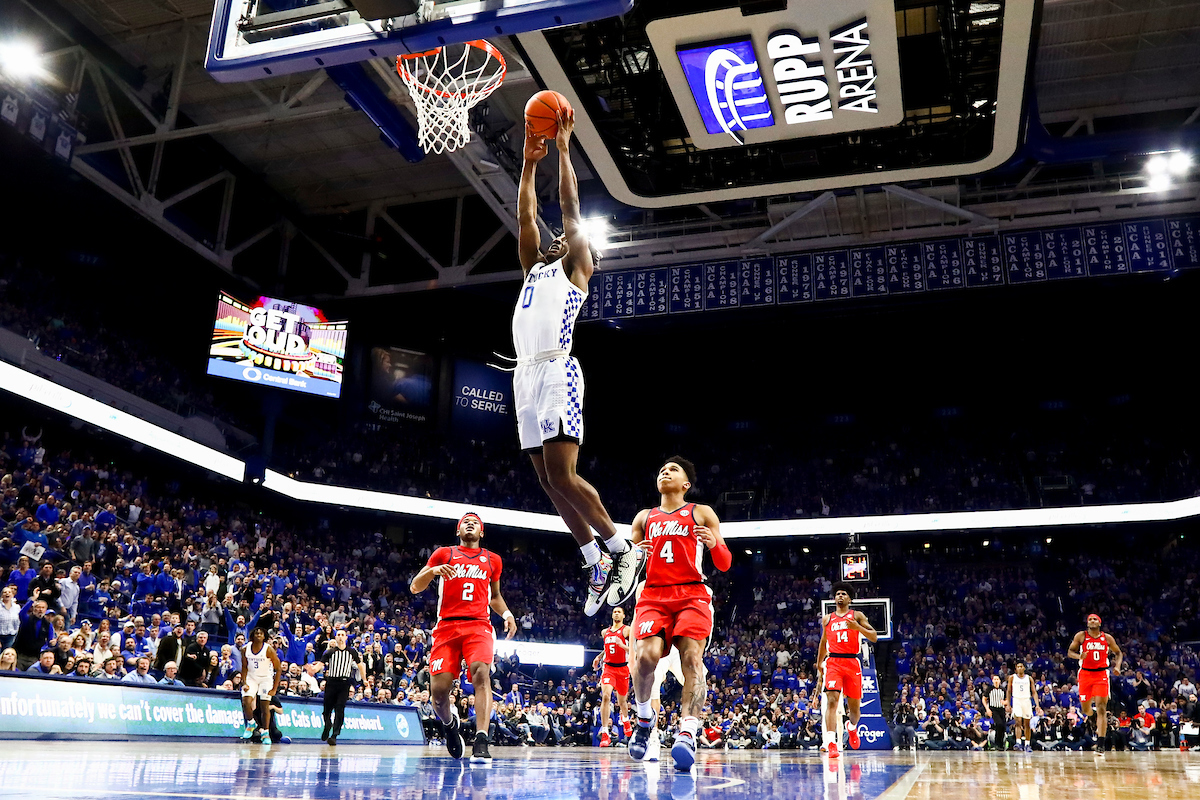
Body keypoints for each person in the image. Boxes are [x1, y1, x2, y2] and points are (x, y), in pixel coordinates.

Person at [514, 109, 646, 617]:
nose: (555, 237)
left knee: (564, 475)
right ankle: (593, 560)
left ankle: (620, 547)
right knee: (546, 479)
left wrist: (565, 150)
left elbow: (569, 208)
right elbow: (526, 216)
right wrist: (528, 164)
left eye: (565, 238)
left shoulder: (575, 270)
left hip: (556, 370)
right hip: (525, 375)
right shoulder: (532, 268)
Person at [625, 457, 732, 772]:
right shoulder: (644, 518)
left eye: (673, 470)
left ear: (686, 484)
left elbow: (724, 563)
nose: (664, 471)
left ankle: (688, 730)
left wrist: (714, 545)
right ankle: (645, 720)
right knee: (645, 658)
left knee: (691, 660)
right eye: (661, 469)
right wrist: (633, 556)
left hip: (691, 594)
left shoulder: (700, 512)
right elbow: (628, 569)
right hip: (654, 595)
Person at [409, 513, 517, 763]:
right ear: (458, 531)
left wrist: (508, 614)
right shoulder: (443, 554)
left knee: (481, 674)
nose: (470, 523)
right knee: (438, 693)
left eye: (475, 522)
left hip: (479, 626)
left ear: (482, 532)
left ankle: (481, 739)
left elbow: (495, 596)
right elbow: (415, 586)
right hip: (446, 628)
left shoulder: (493, 560)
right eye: (465, 522)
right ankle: (449, 725)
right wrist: (433, 571)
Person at [816, 582, 879, 758]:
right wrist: (819, 663)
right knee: (832, 700)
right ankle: (831, 743)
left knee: (854, 709)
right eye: (838, 594)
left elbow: (873, 636)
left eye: (844, 594)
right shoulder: (827, 619)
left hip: (852, 662)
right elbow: (823, 642)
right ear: (834, 598)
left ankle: (851, 728)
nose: (840, 596)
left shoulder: (857, 615)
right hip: (834, 661)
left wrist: (857, 628)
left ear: (849, 599)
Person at [1068, 613, 1122, 758]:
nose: (1092, 621)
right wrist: (1079, 656)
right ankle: (1091, 717)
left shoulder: (1107, 638)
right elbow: (1070, 652)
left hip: (1101, 674)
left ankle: (1101, 743)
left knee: (1102, 708)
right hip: (1085, 674)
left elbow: (1118, 653)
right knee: (1086, 709)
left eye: (1095, 619)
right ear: (1087, 623)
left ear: (1099, 622)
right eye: (1090, 619)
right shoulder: (1081, 636)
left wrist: (1117, 666)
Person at [594, 606, 632, 747]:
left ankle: (626, 719)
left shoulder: (627, 630)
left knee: (622, 701)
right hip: (609, 668)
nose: (616, 614)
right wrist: (598, 657)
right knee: (606, 696)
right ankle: (605, 733)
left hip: (623, 668)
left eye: (619, 612)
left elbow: (634, 649)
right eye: (614, 612)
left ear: (623, 616)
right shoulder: (605, 632)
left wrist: (622, 645)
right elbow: (607, 648)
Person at [239, 627, 281, 744]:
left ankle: (266, 733)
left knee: (264, 706)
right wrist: (244, 682)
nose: (258, 635)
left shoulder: (269, 649)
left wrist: (274, 689)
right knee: (246, 701)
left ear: (264, 636)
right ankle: (251, 723)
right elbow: (244, 667)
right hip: (251, 677)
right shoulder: (245, 649)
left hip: (265, 679)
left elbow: (278, 669)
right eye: (256, 632)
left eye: (261, 633)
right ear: (252, 635)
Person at [320, 628, 361, 745]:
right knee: (327, 709)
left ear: (346, 637)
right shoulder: (330, 652)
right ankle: (327, 725)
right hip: (331, 682)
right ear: (335, 637)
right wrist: (313, 670)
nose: (340, 636)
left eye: (343, 635)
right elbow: (321, 664)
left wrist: (364, 679)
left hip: (344, 683)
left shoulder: (352, 652)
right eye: (338, 635)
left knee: (340, 709)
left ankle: (334, 735)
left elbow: (360, 665)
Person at [1006, 662, 1040, 752]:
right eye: (1018, 666)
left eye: (1021, 666)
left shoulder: (1029, 678)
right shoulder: (1012, 677)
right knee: (1018, 722)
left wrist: (1037, 705)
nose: (1020, 668)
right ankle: (1018, 742)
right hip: (1017, 700)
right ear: (1016, 668)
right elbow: (1009, 691)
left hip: (1026, 700)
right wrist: (1008, 704)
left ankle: (1027, 744)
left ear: (1024, 668)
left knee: (1027, 724)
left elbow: (1034, 692)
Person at [984, 674, 1008, 750]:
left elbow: (1007, 699)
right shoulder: (990, 689)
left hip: (1001, 709)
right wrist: (987, 709)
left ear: (1000, 681)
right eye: (995, 679)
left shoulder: (1003, 689)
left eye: (997, 679)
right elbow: (984, 699)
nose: (996, 681)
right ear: (992, 681)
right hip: (993, 709)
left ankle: (1001, 744)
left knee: (1003, 727)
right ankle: (997, 743)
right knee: (999, 724)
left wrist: (1005, 703)